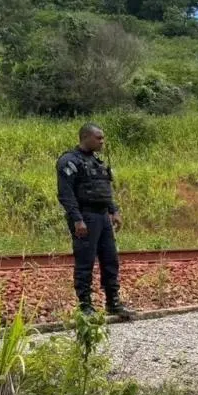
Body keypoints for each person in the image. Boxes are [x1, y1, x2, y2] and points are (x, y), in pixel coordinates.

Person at [56, 123, 134, 318]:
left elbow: (104, 190)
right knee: (85, 263)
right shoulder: (69, 161)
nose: (102, 142)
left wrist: (114, 211)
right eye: (99, 138)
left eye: (102, 138)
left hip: (102, 217)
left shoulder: (97, 162)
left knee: (110, 260)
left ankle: (113, 303)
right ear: (86, 138)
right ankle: (85, 307)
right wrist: (77, 219)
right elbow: (66, 194)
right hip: (85, 216)